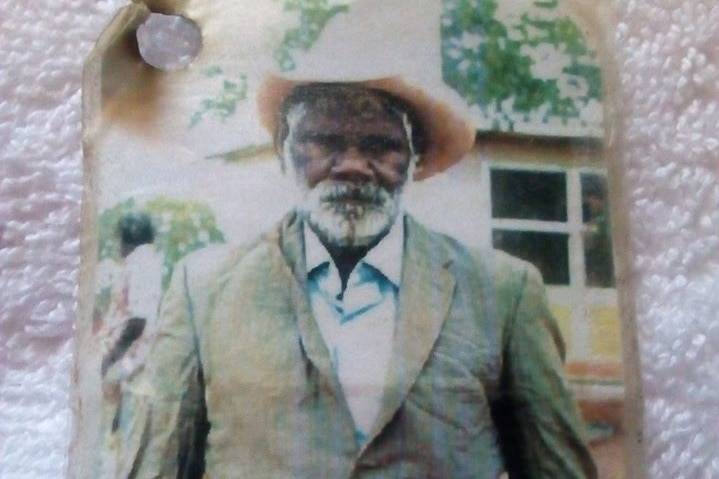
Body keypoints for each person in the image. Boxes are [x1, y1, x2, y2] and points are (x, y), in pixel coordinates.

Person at [115, 77, 597, 478]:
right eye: (322, 141)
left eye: (381, 146)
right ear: (285, 154)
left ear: (414, 161)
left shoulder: (503, 291)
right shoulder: (202, 289)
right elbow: (157, 466)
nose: (350, 166)